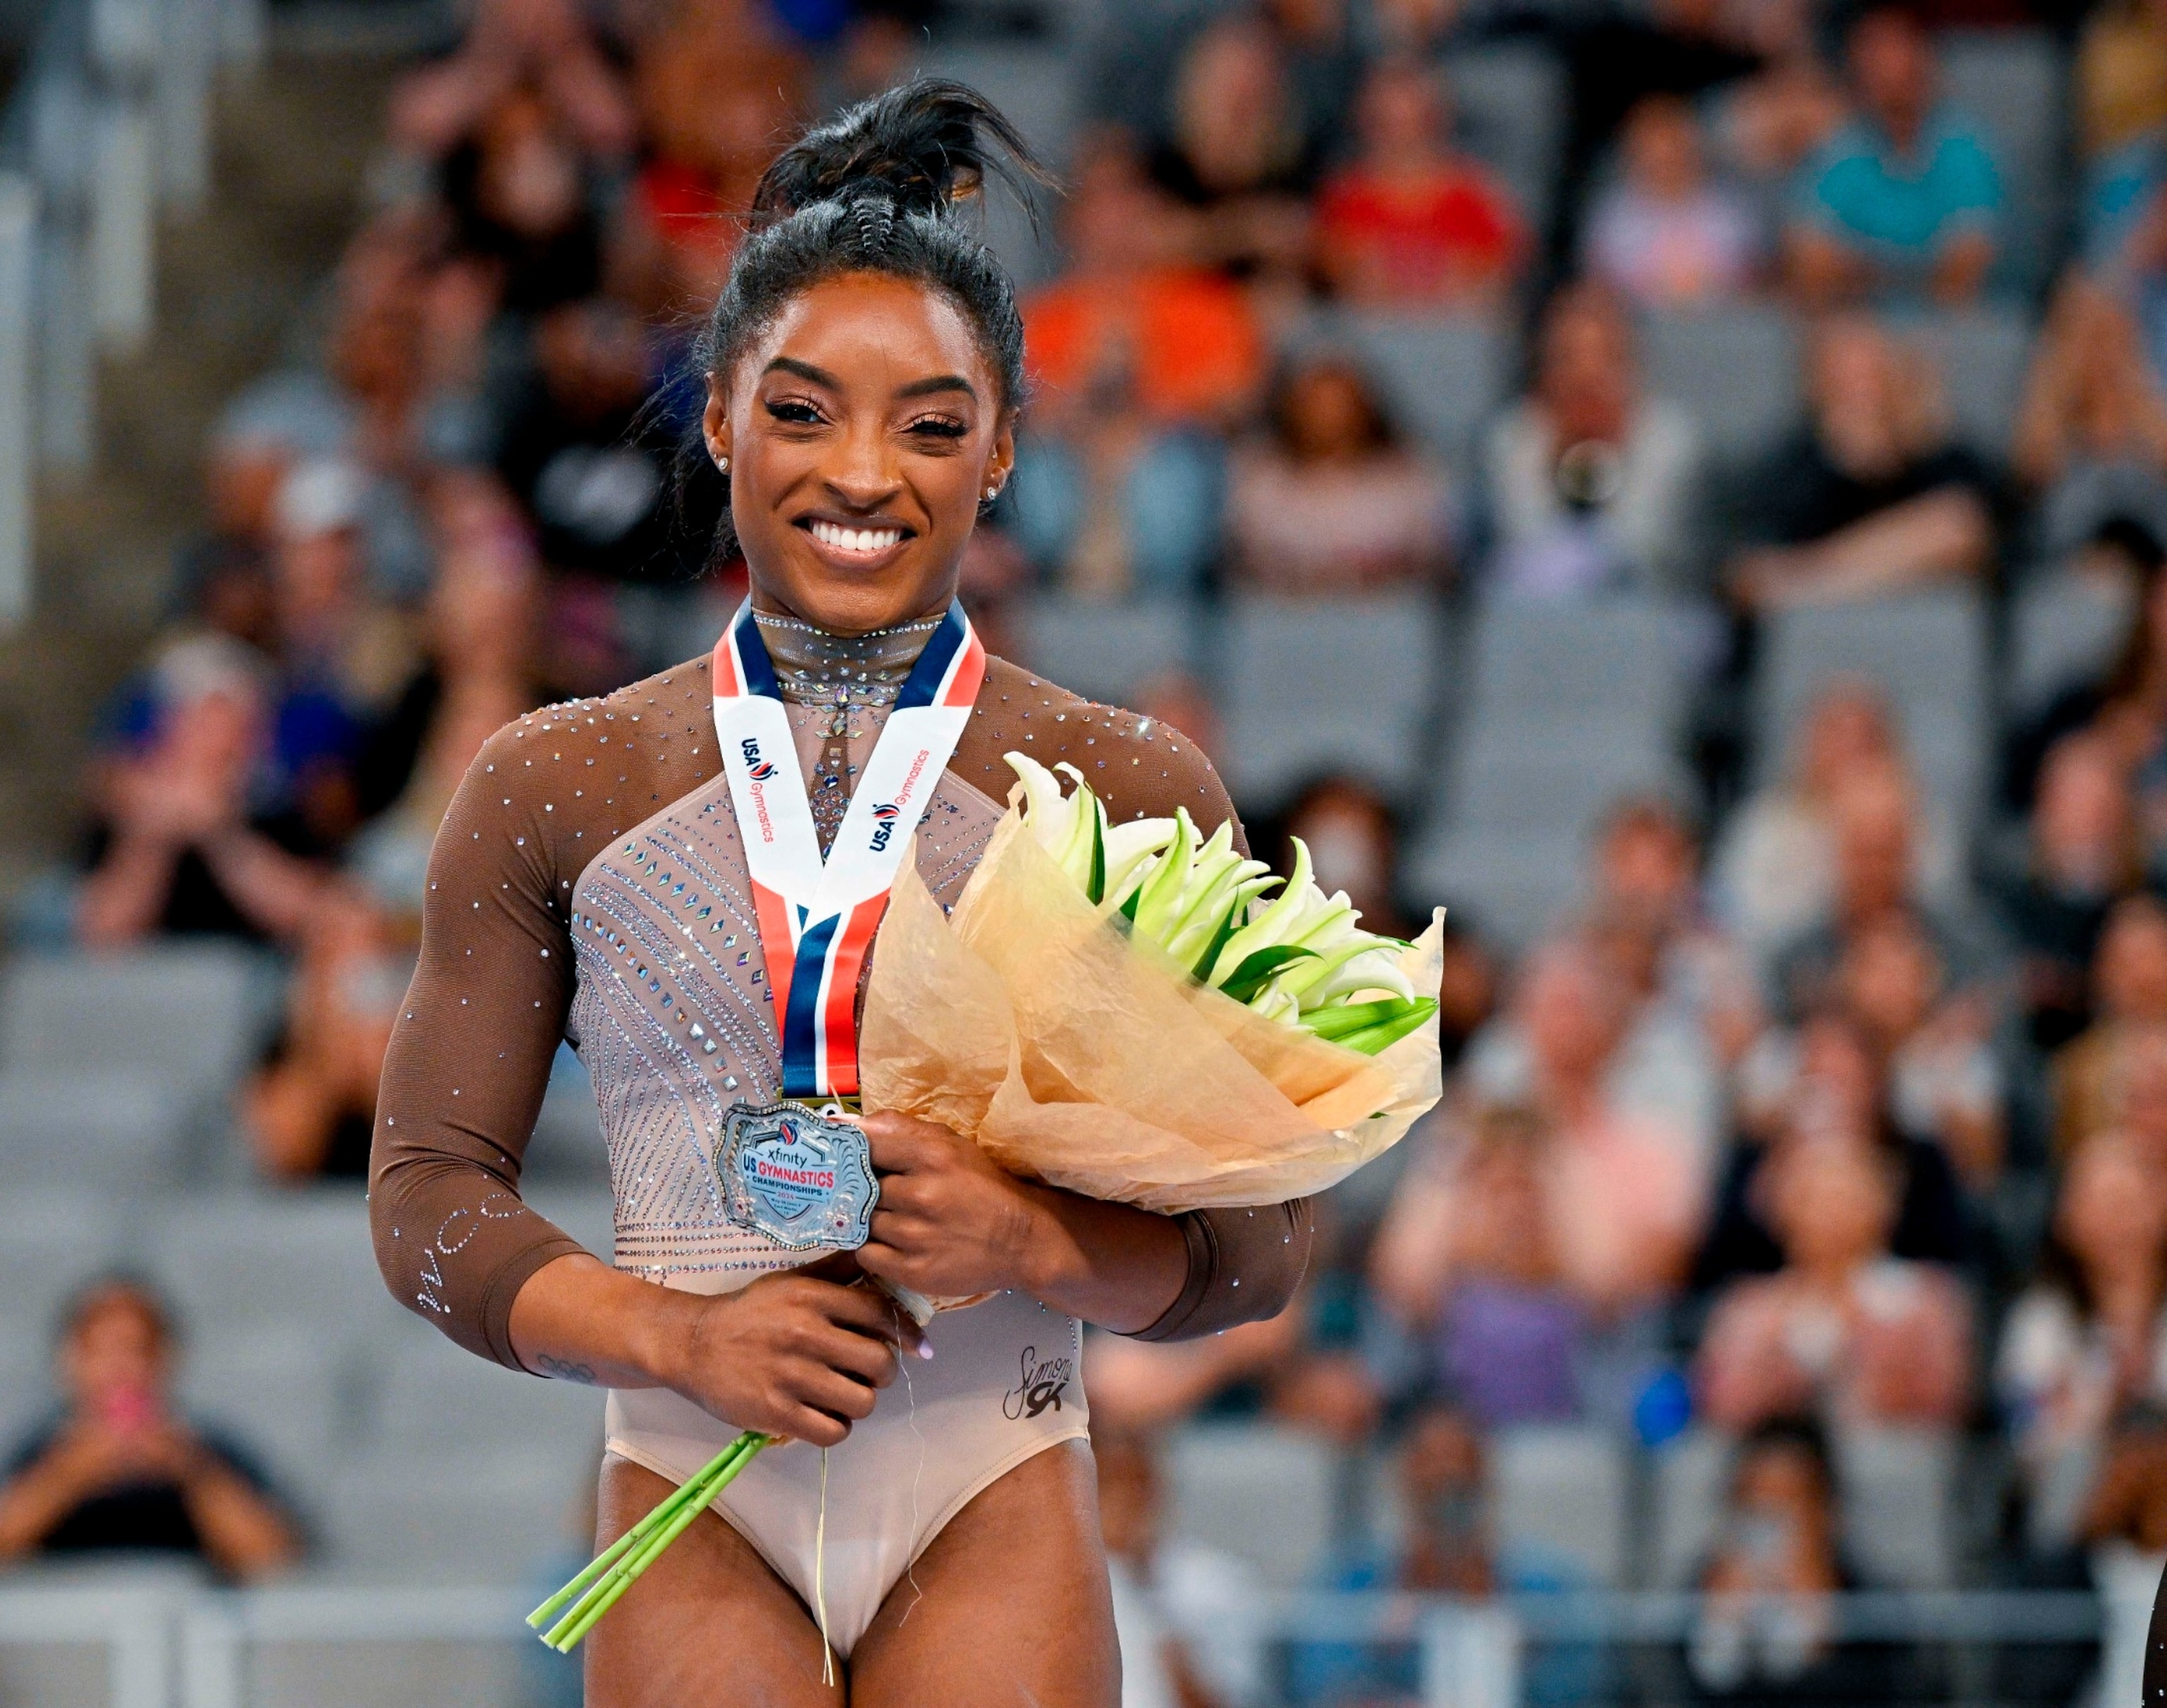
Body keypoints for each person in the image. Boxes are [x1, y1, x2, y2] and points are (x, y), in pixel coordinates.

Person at [370, 85, 1313, 1707]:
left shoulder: (1127, 788)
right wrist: (670, 1336)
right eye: (803, 412)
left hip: (988, 1473)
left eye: (930, 423)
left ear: (1004, 441)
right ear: (722, 413)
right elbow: (425, 1194)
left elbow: (1263, 1242)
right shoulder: (557, 782)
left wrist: (1030, 1230)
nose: (862, 472)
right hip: (688, 1472)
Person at [0, 1279, 298, 1578]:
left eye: (137, 1350)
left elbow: (274, 1559)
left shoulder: (210, 1451)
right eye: (101, 1351)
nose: (120, 1368)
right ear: (71, 1361)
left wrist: (190, 1472)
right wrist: (67, 1476)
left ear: (167, 1359)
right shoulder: (38, 1452)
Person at [1694, 1132, 1972, 1431]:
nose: (1830, 1215)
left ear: (1883, 1205)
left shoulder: (1924, 1301)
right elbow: (1721, 1409)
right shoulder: (1748, 1309)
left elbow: (1946, 1405)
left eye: (1846, 1197)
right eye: (1813, 1198)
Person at [1730, 315, 1998, 609]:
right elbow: (1750, 575)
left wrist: (1810, 579)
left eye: (1870, 372)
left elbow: (1970, 531)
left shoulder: (1941, 455)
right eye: (1840, 375)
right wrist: (1840, 466)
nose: (1858, 389)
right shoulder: (1787, 466)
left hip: (1924, 628)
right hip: (1816, 636)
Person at [76, 635, 327, 947]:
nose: (241, 739)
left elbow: (309, 917)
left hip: (256, 974)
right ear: (174, 723)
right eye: (214, 717)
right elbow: (105, 931)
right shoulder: (124, 806)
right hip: (145, 979)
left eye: (251, 722)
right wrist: (155, 834)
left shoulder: (275, 805)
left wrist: (222, 836)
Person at [1480, 282, 1706, 601]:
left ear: (1631, 363)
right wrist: (1557, 446)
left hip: (1655, 607)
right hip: (1539, 613)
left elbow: (1644, 543)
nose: (1587, 375)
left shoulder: (1669, 435)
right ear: (1543, 365)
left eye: (1604, 356)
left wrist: (1619, 443)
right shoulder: (1515, 436)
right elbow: (1525, 539)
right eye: (1569, 357)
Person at [1999, 1133, 2167, 1551]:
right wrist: (2099, 1402)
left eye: (2128, 1200)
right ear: (2067, 1218)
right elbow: (2023, 1434)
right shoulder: (2041, 1322)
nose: (2117, 1220)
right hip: (2074, 1518)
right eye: (2101, 1202)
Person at [1785, 6, 2001, 309]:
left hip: (1946, 326)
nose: (1886, 65)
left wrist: (1865, 270)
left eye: (1896, 48)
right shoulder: (1837, 147)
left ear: (1925, 58)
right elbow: (1811, 264)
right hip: (1858, 324)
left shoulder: (1967, 148)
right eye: (1872, 52)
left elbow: (1965, 268)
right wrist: (1914, 271)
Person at [1223, 351, 1453, 593]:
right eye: (1316, 404)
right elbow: (1251, 555)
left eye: (1340, 404)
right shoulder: (1260, 477)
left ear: (1365, 407)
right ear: (1292, 407)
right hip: (1286, 613)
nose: (1329, 416)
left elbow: (1430, 553)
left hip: (1384, 613)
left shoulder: (1407, 476)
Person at [1313, 59, 1526, 311]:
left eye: (1410, 122)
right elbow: (1339, 276)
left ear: (1435, 119)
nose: (1398, 137)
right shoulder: (1343, 198)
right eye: (1386, 124)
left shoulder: (1478, 195)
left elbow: (1498, 277)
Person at [2013, 277, 2167, 563]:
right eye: (2092, 338)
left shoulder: (2148, 410)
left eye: (2112, 336)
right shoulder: (2049, 414)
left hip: (2147, 550)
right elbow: (2035, 469)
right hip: (2076, 554)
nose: (2102, 351)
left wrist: (2127, 395)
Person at [1584, 94, 1760, 310]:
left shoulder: (1732, 208)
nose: (1664, 156)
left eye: (1671, 142)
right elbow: (1601, 289)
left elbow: (1750, 286)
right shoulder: (1611, 215)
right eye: (1652, 146)